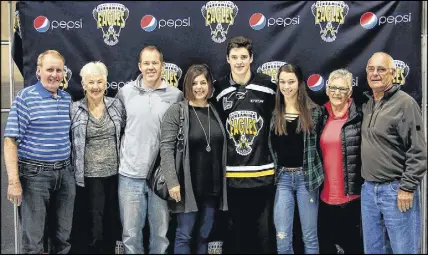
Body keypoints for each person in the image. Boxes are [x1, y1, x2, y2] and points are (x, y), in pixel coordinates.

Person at [4, 50, 75, 254]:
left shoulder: (66, 99)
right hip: (34, 176)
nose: (54, 74)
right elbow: (10, 141)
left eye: (58, 70)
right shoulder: (25, 98)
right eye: (49, 69)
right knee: (34, 240)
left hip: (65, 174)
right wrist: (13, 182)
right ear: (38, 71)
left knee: (63, 237)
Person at [212, 36, 277, 254]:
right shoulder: (219, 88)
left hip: (262, 173)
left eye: (243, 57)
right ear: (227, 59)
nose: (239, 62)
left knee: (263, 234)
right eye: (234, 57)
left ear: (251, 58)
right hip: (232, 176)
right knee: (237, 233)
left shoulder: (268, 86)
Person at [116, 45, 184, 254]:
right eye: (146, 63)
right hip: (130, 175)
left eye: (155, 63)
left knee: (160, 237)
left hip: (161, 178)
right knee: (130, 236)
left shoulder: (176, 96)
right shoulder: (125, 93)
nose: (151, 67)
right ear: (139, 66)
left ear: (162, 66)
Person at [361, 52, 427, 254]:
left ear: (393, 73)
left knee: (403, 250)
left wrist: (407, 188)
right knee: (373, 250)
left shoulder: (405, 104)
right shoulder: (369, 103)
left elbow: (418, 151)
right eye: (371, 69)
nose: (375, 74)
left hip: (396, 191)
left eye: (381, 69)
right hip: (369, 191)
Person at [160, 64, 228, 254]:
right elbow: (166, 148)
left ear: (209, 85)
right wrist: (172, 182)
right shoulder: (178, 111)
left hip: (212, 187)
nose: (199, 87)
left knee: (204, 235)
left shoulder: (214, 110)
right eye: (194, 83)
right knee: (184, 235)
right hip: (186, 187)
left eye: (203, 82)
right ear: (188, 86)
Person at [70, 61, 126, 253]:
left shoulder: (116, 105)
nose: (95, 87)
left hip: (117, 175)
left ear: (106, 83)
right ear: (83, 85)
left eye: (99, 82)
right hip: (88, 178)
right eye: (91, 82)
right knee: (94, 228)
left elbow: (126, 132)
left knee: (113, 224)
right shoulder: (74, 109)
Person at [269, 63, 323, 254]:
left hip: (306, 179)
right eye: (282, 82)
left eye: (291, 82)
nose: (286, 86)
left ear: (300, 83)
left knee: (309, 237)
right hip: (283, 178)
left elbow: (320, 148)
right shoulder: (275, 112)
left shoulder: (315, 111)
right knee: (282, 236)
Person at [318, 69, 363, 254]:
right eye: (333, 88)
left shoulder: (360, 116)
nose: (337, 93)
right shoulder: (319, 115)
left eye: (342, 89)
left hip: (351, 199)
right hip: (324, 198)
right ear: (327, 90)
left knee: (353, 247)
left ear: (350, 92)